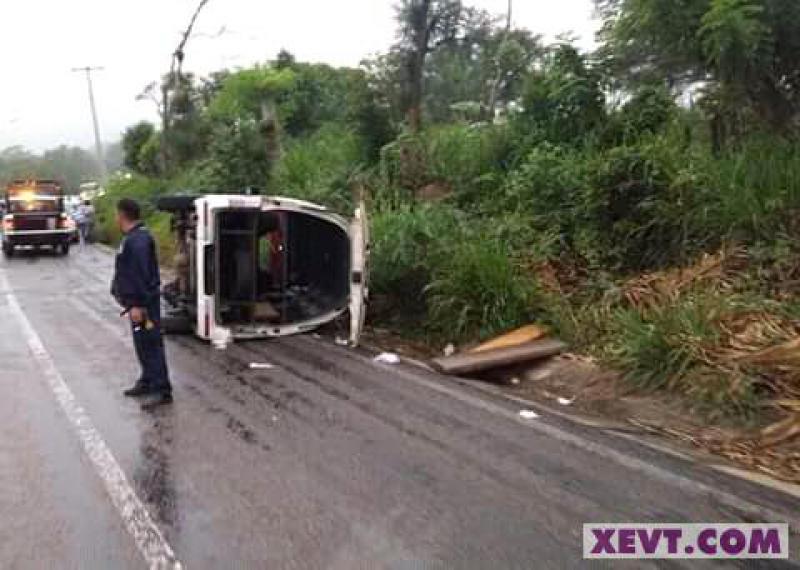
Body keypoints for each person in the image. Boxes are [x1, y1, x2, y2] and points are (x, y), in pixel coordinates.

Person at [111, 198, 173, 408]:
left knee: (151, 344)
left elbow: (140, 274)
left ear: (122, 214)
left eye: (116, 214)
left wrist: (138, 304)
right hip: (136, 303)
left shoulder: (138, 240)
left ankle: (161, 388)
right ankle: (147, 379)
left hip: (143, 303)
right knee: (142, 343)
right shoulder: (133, 238)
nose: (115, 218)